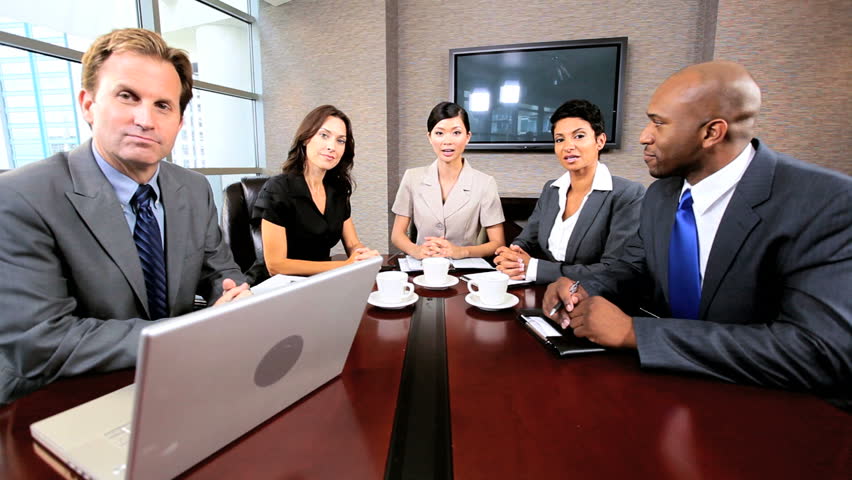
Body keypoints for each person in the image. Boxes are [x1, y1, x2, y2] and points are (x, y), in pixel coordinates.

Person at [544, 61, 851, 401]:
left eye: (658, 124)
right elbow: (632, 268)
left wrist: (637, 334)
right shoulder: (661, 195)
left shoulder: (827, 202)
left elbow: (820, 352)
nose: (644, 136)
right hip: (662, 391)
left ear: (711, 133)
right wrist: (579, 287)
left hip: (771, 407)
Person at [0, 28, 251, 404]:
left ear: (179, 122)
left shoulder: (194, 189)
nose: (146, 120)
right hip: (57, 401)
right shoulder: (22, 196)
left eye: (163, 105)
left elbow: (221, 272)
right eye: (127, 96)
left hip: (172, 383)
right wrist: (193, 330)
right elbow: (43, 342)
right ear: (88, 105)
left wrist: (232, 297)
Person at [493, 100, 644, 284]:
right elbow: (527, 238)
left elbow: (613, 270)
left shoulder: (627, 194)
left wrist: (534, 268)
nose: (568, 146)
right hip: (544, 292)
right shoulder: (552, 189)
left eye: (579, 136)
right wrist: (513, 253)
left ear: (600, 141)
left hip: (594, 300)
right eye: (560, 139)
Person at [251, 105, 379, 280]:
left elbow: (352, 242)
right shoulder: (278, 189)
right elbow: (276, 265)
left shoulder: (338, 189)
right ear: (305, 138)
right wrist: (345, 266)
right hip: (275, 287)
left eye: (340, 140)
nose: (332, 146)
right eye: (324, 135)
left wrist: (361, 254)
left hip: (318, 282)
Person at [391, 102, 505, 259]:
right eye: (439, 133)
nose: (447, 141)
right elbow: (397, 235)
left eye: (456, 133)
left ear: (467, 137)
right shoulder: (412, 177)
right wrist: (416, 250)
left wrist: (462, 251)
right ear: (429, 137)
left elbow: (498, 243)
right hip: (423, 266)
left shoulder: (485, 183)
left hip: (464, 269)